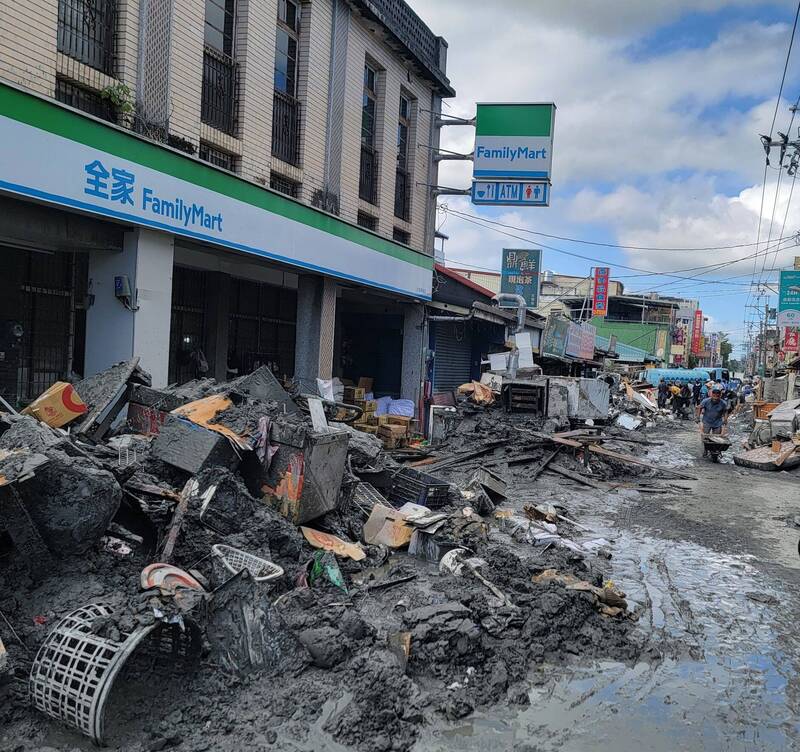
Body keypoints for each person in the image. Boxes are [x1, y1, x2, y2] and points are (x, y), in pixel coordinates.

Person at [697, 386, 729, 456]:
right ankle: (705, 450)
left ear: (720, 396)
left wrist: (725, 420)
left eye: (717, 397)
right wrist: (697, 417)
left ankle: (716, 450)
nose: (715, 398)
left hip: (717, 422)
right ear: (712, 395)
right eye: (714, 396)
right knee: (705, 438)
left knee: (717, 438)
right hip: (707, 421)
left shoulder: (723, 403)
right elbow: (699, 408)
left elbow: (725, 411)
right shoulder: (706, 401)